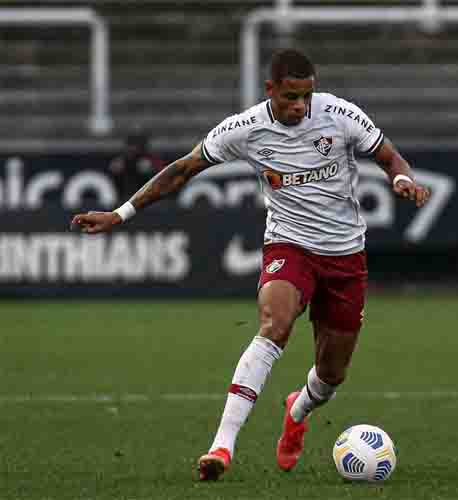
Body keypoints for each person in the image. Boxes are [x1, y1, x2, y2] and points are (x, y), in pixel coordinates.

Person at [71, 49, 431, 481]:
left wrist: (402, 179)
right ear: (270, 90)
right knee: (274, 324)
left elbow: (390, 157)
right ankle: (221, 447)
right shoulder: (243, 129)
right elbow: (182, 170)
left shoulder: (340, 115)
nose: (300, 105)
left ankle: (297, 410)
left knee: (332, 374)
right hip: (289, 246)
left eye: (306, 95)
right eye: (291, 96)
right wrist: (120, 213)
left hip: (346, 255)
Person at [108, 133, 165, 200]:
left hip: (148, 195)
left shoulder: (151, 159)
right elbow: (111, 170)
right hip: (124, 195)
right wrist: (115, 169)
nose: (133, 148)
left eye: (136, 146)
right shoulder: (121, 160)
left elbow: (163, 171)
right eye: (131, 145)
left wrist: (152, 168)